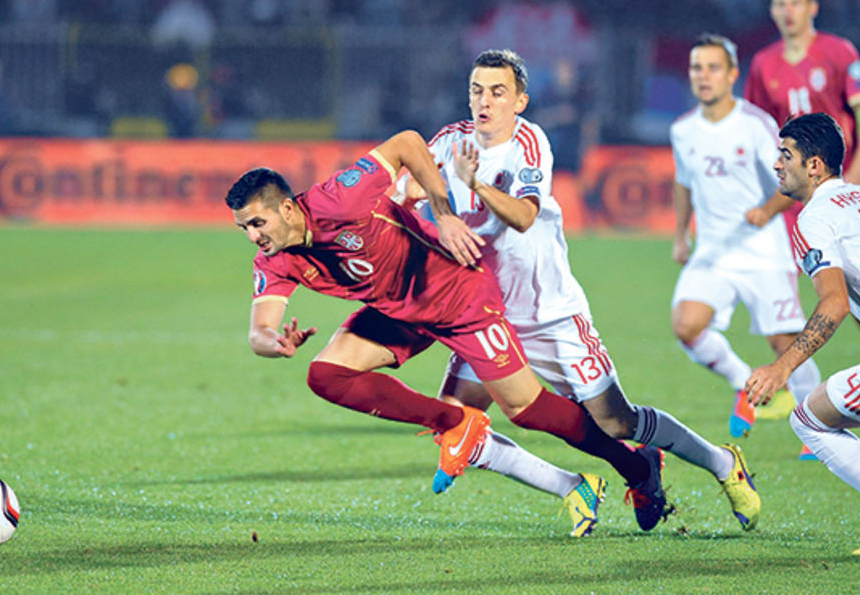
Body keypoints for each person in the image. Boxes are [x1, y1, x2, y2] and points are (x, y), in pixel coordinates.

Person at [225, 129, 666, 537]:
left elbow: (408, 143)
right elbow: (258, 330)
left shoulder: (339, 198)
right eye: (244, 228)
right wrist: (274, 342)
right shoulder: (273, 258)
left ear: (285, 208)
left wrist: (443, 213)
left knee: (527, 409)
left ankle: (637, 467)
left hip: (458, 295)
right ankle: (455, 423)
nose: (252, 237)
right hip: (397, 312)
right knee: (326, 375)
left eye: (257, 223)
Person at [401, 48, 760, 534]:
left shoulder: (529, 143)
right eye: (476, 91)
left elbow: (525, 217)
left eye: (497, 92)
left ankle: (721, 463)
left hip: (551, 313)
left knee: (618, 421)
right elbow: (403, 192)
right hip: (486, 315)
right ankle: (573, 485)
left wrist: (477, 186)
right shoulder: (446, 142)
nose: (484, 102)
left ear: (520, 101)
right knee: (454, 422)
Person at [746, 112, 860, 556]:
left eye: (786, 154)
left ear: (815, 166)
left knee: (808, 420)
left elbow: (834, 303)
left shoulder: (814, 220)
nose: (776, 164)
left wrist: (781, 368)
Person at [670, 34, 821, 456]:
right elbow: (683, 182)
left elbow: (791, 178)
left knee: (785, 341)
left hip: (761, 251)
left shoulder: (754, 125)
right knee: (686, 325)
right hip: (713, 253)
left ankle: (818, 423)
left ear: (732, 74)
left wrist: (768, 209)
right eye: (697, 67)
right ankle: (745, 383)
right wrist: (682, 234)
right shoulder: (683, 130)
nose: (704, 76)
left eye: (713, 67)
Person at [744, 0, 860, 361]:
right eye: (780, 4)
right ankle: (788, 375)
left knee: (853, 276)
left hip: (837, 186)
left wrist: (858, 171)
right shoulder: (763, 64)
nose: (788, 11)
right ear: (772, 11)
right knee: (777, 279)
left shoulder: (839, 52)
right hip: (792, 191)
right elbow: (760, 129)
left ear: (812, 8)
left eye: (795, 3)